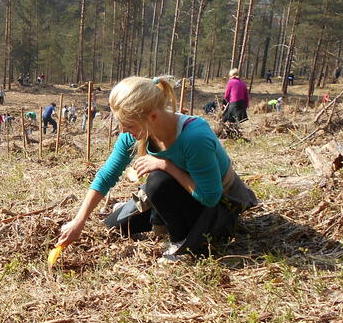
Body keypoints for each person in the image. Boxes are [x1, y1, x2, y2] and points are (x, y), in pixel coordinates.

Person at [57, 76, 256, 263]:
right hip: (176, 196)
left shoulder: (194, 137)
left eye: (128, 125)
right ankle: (159, 217)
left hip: (218, 204)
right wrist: (79, 220)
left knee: (159, 180)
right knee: (116, 226)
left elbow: (210, 197)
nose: (124, 131)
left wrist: (165, 165)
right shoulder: (137, 132)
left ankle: (179, 241)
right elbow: (107, 174)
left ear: (152, 116)